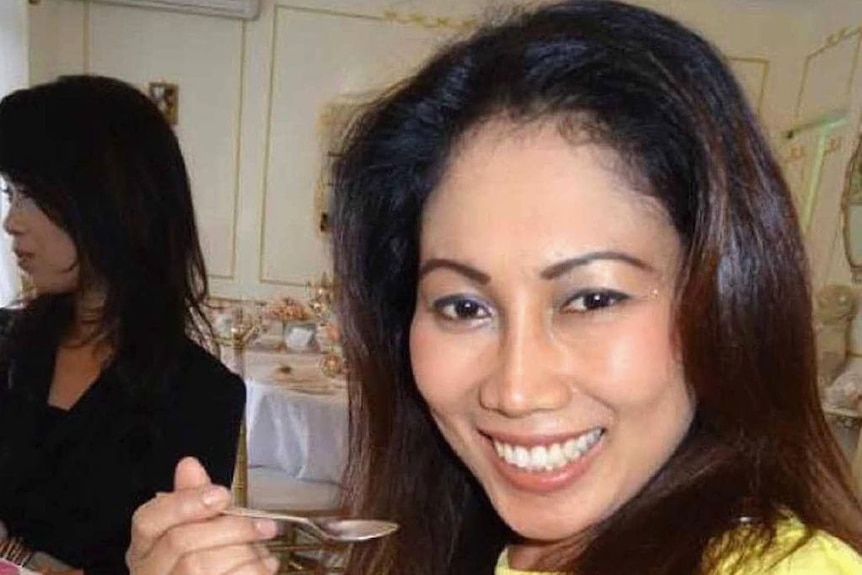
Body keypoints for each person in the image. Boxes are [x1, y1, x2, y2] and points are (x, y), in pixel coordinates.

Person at [125, 1, 862, 574]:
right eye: (464, 305)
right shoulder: (467, 532)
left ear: (724, 295)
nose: (515, 388)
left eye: (592, 298)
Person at [0, 75, 246, 574]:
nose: (11, 221)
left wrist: (16, 553)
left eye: (31, 194)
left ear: (105, 199)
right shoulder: (7, 344)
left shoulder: (201, 395)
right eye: (10, 192)